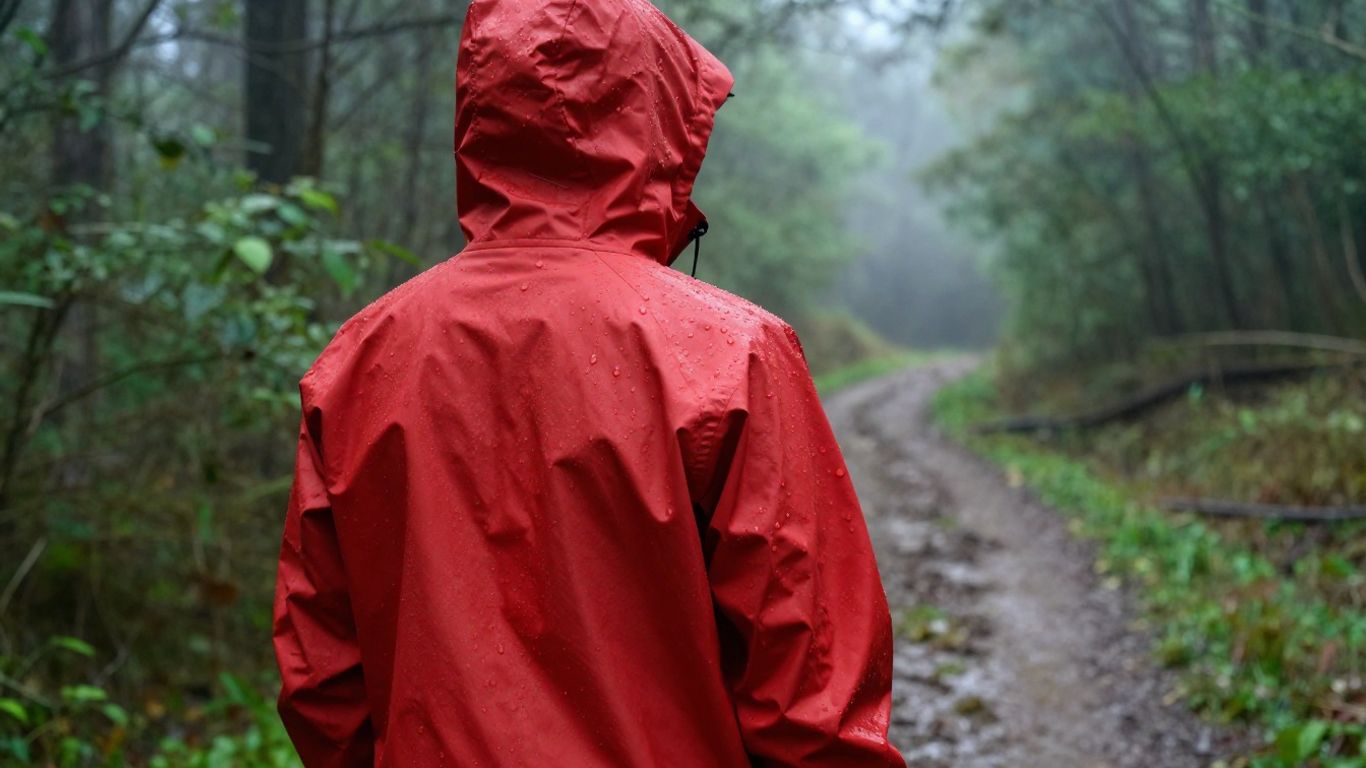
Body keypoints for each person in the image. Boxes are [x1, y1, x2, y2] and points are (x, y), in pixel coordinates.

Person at [272, 0, 905, 765]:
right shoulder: (735, 356)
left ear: (481, 123)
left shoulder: (362, 360)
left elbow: (323, 685)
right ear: (658, 122)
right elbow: (814, 696)